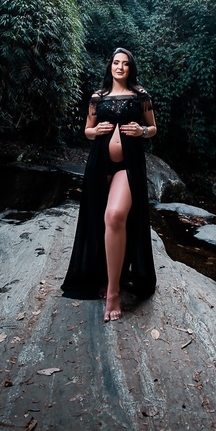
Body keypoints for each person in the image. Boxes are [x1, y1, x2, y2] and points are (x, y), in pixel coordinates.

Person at [61, 48, 158, 321]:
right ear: (110, 66)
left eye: (125, 64)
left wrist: (141, 131)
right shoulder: (98, 97)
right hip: (99, 165)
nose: (120, 67)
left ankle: (114, 292)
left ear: (130, 68)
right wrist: (95, 131)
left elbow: (153, 128)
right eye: (116, 62)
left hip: (128, 165)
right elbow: (87, 130)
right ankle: (103, 277)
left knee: (114, 216)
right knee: (97, 221)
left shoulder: (141, 95)